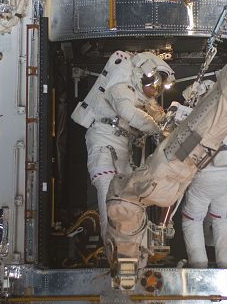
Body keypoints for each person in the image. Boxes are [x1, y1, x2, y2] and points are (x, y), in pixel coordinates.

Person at [71, 51, 175, 240]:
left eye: (159, 87)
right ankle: (111, 248)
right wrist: (154, 127)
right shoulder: (121, 88)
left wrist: (166, 125)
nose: (155, 90)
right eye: (154, 84)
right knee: (109, 202)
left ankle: (134, 247)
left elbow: (157, 116)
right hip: (104, 147)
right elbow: (127, 111)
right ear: (142, 75)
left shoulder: (139, 97)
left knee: (129, 202)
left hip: (122, 152)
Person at [172, 80, 227, 268]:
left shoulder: (200, 116)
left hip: (203, 178)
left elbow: (182, 152)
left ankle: (199, 265)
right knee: (224, 223)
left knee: (192, 221)